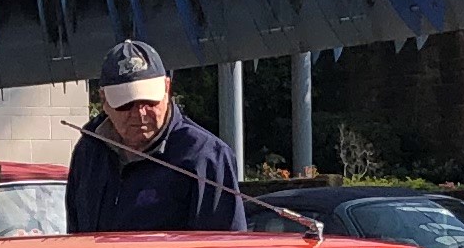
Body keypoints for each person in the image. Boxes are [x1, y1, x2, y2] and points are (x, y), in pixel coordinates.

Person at [64, 40, 312, 234]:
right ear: (103, 100)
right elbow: (76, 236)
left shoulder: (205, 156)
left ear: (167, 89)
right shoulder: (89, 150)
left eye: (149, 100)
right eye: (125, 104)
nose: (139, 113)